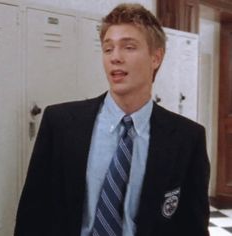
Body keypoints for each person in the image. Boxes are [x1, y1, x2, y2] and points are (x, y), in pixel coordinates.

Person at [14, 3, 210, 236]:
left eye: (128, 47)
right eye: (108, 49)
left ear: (156, 57)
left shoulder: (187, 138)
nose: (115, 57)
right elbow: (32, 215)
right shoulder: (60, 124)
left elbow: (193, 227)